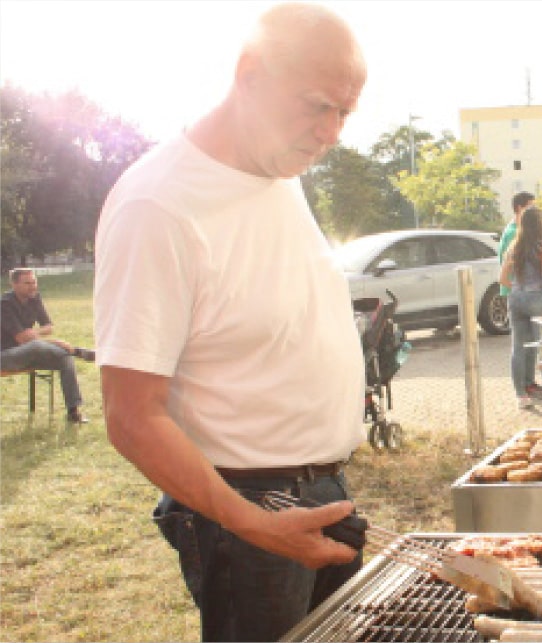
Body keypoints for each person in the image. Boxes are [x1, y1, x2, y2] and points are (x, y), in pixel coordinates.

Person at [93, 5, 369, 640]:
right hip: (244, 510)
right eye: (316, 106)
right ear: (249, 75)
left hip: (322, 487)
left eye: (345, 112)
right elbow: (131, 417)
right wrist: (254, 523)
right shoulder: (158, 206)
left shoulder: (278, 168)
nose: (331, 132)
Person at [1, 268, 94, 423]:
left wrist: (34, 332)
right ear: (14, 284)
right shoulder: (5, 305)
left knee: (64, 358)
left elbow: (48, 326)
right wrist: (54, 342)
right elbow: (23, 339)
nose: (32, 286)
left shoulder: (34, 298)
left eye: (34, 282)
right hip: (6, 356)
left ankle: (73, 412)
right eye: (27, 283)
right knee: (36, 346)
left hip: (28, 353)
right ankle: (76, 351)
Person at [500, 206, 542, 411]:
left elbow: (502, 279)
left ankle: (521, 396)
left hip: (516, 298)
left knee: (518, 348)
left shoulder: (513, 248)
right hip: (538, 298)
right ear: (538, 225)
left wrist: (518, 288)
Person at [499, 191, 537, 298]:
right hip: (515, 290)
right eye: (531, 207)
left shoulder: (517, 229)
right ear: (520, 208)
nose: (534, 211)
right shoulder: (514, 232)